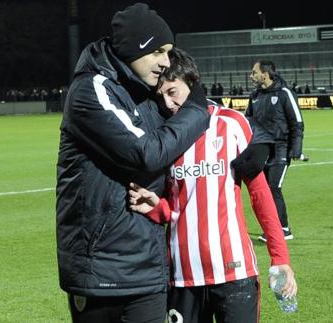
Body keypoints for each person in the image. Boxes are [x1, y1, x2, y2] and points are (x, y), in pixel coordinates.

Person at [56, 3, 210, 323]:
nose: (166, 62)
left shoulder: (148, 93)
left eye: (169, 52)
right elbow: (146, 154)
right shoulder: (92, 89)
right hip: (100, 270)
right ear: (135, 47)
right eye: (158, 51)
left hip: (148, 268)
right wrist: (197, 109)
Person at [129, 47, 297, 323]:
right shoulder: (164, 137)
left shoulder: (231, 124)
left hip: (235, 273)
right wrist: (156, 207)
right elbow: (175, 207)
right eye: (162, 96)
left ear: (192, 84)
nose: (168, 104)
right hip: (183, 276)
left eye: (173, 92)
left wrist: (280, 257)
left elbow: (260, 194)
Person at [233, 60, 304, 242]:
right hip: (261, 148)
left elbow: (297, 122)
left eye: (253, 72)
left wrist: (296, 149)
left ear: (265, 74)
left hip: (281, 148)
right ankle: (274, 228)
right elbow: (247, 121)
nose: (251, 76)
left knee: (274, 187)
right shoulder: (255, 95)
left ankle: (284, 229)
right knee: (264, 190)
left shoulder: (284, 93)